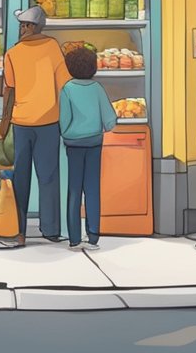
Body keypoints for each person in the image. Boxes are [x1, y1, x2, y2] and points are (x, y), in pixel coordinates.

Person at [0, 6, 71, 247]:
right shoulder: (53, 49)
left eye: (24, 25)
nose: (21, 29)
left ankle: (19, 231)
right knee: (48, 176)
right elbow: (65, 85)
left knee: (21, 177)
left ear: (32, 27)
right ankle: (50, 229)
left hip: (21, 123)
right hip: (49, 122)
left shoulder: (13, 54)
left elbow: (9, 91)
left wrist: (3, 124)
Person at [58, 46, 117, 251]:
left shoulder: (66, 89)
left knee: (74, 190)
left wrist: (67, 132)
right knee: (92, 190)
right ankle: (93, 236)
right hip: (94, 143)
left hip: (73, 144)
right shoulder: (97, 88)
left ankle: (74, 237)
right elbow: (110, 120)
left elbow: (64, 120)